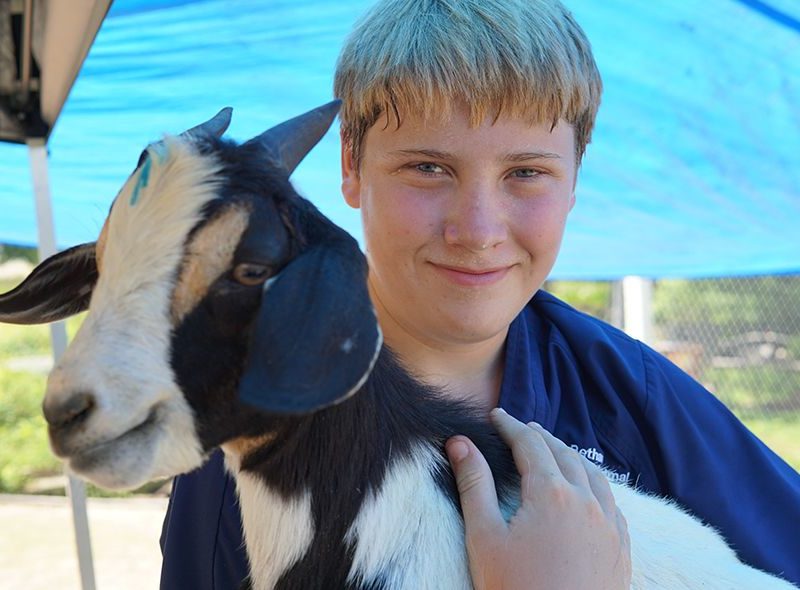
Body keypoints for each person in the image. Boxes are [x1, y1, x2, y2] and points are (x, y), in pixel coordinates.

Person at [159, 0, 800, 588]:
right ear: (350, 166)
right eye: (428, 168)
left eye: (526, 172)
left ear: (575, 179)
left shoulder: (634, 398)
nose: (478, 231)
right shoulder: (246, 429)